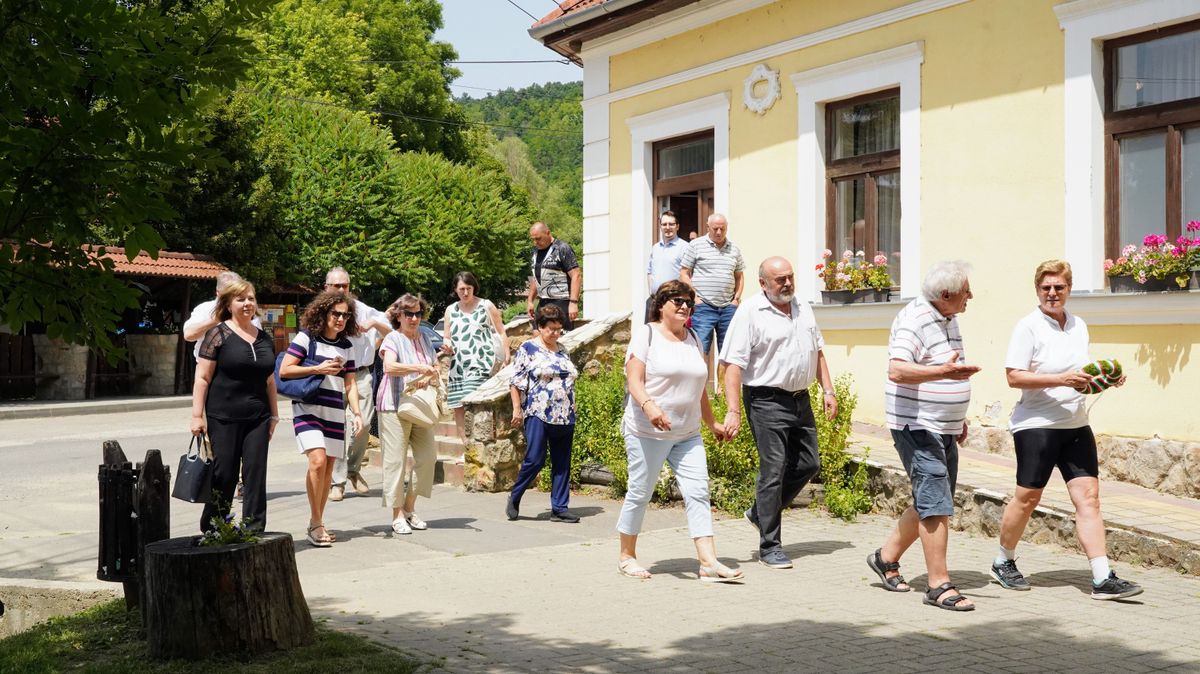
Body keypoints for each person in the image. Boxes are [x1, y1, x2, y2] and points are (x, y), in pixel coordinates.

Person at [989, 260, 1142, 600]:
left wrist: (1107, 379)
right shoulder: (1027, 327)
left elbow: (1080, 373)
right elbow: (1014, 376)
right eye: (1046, 288)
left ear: (1069, 289)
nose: (1052, 294)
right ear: (1037, 290)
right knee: (1028, 498)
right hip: (1036, 425)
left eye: (1059, 287)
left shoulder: (1079, 326)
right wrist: (1060, 379)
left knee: (1089, 500)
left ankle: (1102, 578)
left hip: (1075, 423)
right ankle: (1003, 560)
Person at [866, 260, 980, 611]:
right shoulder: (916, 319)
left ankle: (885, 558)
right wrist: (943, 371)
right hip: (916, 426)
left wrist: (956, 416)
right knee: (936, 504)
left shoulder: (948, 317)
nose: (970, 297)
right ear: (945, 294)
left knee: (932, 499)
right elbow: (897, 369)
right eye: (965, 292)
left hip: (941, 426)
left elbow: (947, 370)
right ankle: (938, 585)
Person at [618, 280, 743, 583]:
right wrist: (650, 407)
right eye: (677, 300)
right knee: (640, 491)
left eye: (688, 301)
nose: (684, 306)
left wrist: (711, 423)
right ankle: (627, 556)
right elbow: (634, 381)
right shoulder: (646, 335)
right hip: (647, 431)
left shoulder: (694, 339)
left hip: (687, 434)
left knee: (698, 491)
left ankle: (708, 562)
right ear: (661, 305)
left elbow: (698, 388)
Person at [720, 256, 835, 570]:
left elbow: (818, 350)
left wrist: (828, 389)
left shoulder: (801, 306)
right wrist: (733, 411)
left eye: (790, 277)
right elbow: (732, 365)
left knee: (810, 463)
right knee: (773, 471)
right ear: (763, 283)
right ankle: (769, 547)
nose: (787, 283)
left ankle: (760, 512)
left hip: (801, 399)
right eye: (779, 279)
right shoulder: (750, 312)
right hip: (766, 400)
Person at [189, 278, 278, 533]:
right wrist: (197, 416)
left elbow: (269, 380)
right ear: (228, 304)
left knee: (255, 474)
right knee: (224, 474)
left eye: (251, 298)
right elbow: (202, 378)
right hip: (223, 417)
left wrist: (274, 416)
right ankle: (214, 527)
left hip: (258, 417)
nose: (247, 303)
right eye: (241, 299)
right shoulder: (217, 335)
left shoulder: (263, 337)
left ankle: (254, 530)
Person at [279, 290, 362, 547]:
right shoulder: (307, 338)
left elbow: (350, 384)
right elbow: (285, 370)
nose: (340, 319)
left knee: (327, 468)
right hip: (308, 407)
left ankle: (317, 521)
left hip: (335, 412)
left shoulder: (347, 347)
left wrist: (357, 413)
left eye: (345, 315)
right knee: (316, 461)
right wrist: (318, 368)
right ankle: (316, 523)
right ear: (324, 312)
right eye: (335, 313)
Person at [506, 304, 579, 523]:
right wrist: (517, 409)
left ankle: (559, 507)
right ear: (540, 327)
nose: (556, 333)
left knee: (561, 462)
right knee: (535, 459)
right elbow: (516, 382)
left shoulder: (563, 350)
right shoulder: (528, 348)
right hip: (538, 411)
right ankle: (515, 495)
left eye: (559, 329)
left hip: (565, 413)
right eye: (551, 329)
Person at [324, 267, 392, 502]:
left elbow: (391, 331)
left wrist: (373, 323)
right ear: (327, 288)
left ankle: (353, 469)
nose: (342, 290)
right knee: (338, 428)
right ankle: (337, 482)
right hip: (331, 374)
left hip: (361, 374)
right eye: (337, 286)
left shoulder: (364, 311)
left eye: (345, 285)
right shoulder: (321, 312)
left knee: (361, 425)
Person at [376, 294, 440, 536]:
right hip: (393, 405)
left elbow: (433, 367)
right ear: (399, 316)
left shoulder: (424, 338)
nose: (414, 318)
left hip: (419, 405)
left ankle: (409, 508)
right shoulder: (392, 338)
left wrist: (428, 375)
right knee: (395, 462)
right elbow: (389, 367)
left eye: (418, 314)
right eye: (409, 314)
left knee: (427, 458)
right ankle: (396, 514)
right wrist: (418, 369)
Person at [442, 271, 509, 439]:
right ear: (455, 290)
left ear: (474, 288)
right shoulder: (451, 310)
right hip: (458, 365)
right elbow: (447, 336)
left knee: (474, 405)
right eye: (461, 289)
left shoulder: (485, 305)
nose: (465, 292)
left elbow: (501, 331)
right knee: (458, 406)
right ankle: (464, 448)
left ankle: (476, 445)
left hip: (481, 362)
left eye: (468, 288)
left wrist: (506, 356)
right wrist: (447, 345)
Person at [679, 213, 744, 365]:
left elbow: (739, 276)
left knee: (729, 353)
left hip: (728, 307)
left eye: (723, 229)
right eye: (715, 229)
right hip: (704, 307)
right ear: (708, 227)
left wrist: (736, 299)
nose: (719, 232)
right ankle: (698, 388)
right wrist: (695, 299)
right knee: (699, 349)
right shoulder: (695, 245)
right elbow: (684, 273)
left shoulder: (734, 249)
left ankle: (723, 389)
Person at [183, 270, 262, 360]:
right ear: (218, 292)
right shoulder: (205, 308)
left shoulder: (248, 310)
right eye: (228, 292)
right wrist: (215, 320)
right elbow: (189, 335)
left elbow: (259, 341)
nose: (232, 295)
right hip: (211, 369)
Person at [526, 221, 580, 330]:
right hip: (543, 301)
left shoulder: (562, 248)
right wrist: (530, 301)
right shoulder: (534, 252)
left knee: (558, 338)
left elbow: (576, 275)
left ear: (548, 233)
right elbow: (535, 277)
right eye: (533, 239)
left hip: (561, 300)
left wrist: (574, 303)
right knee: (537, 334)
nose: (535, 242)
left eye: (538, 238)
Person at [645, 211, 688, 322]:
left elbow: (688, 274)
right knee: (651, 335)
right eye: (664, 224)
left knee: (671, 336)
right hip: (654, 300)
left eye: (671, 224)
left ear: (677, 226)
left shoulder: (685, 247)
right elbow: (649, 271)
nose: (667, 227)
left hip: (673, 301)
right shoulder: (655, 248)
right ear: (660, 226)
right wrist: (651, 292)